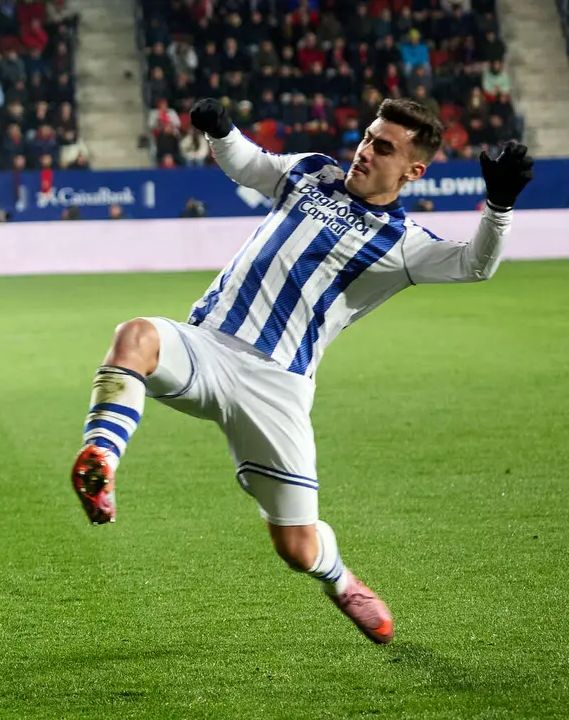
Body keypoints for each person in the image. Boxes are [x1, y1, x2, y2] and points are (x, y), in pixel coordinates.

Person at [69, 97, 533, 644]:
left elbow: (475, 264)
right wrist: (222, 130)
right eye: (367, 137)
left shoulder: (404, 245)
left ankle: (339, 579)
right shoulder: (311, 171)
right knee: (136, 335)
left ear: (413, 171)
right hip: (207, 346)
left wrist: (498, 204)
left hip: (277, 389)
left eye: (383, 148)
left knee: (297, 548)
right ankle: (100, 459)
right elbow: (248, 164)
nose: (365, 151)